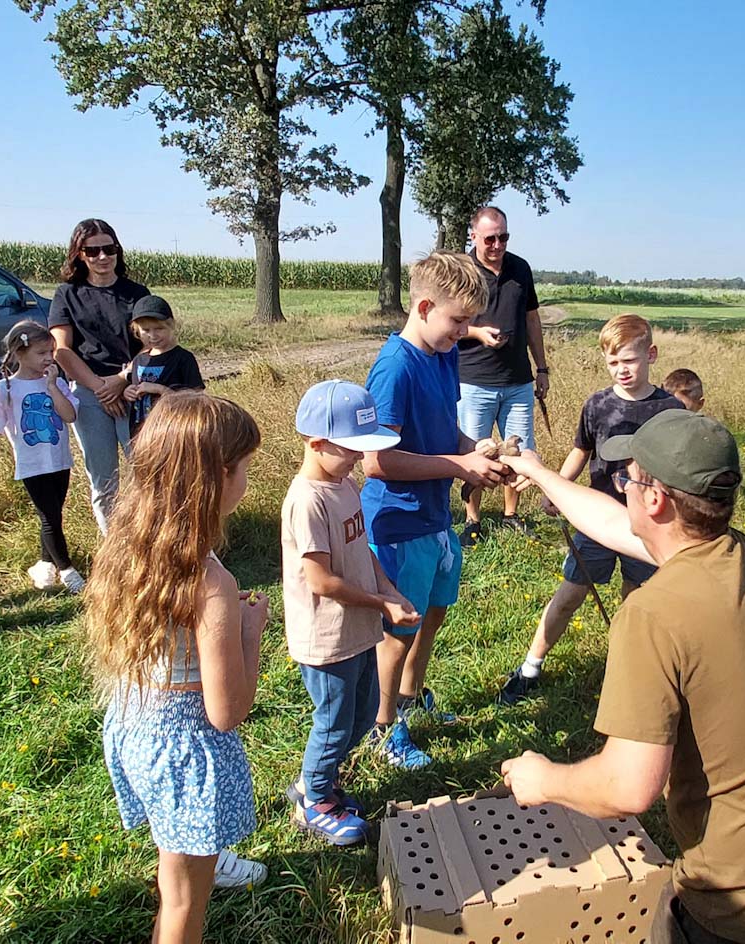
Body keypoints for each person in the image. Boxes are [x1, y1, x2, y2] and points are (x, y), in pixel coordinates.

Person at [498, 410, 745, 944]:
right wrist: (539, 472)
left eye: (627, 477)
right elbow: (610, 523)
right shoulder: (739, 554)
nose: (623, 486)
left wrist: (544, 779)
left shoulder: (653, 614)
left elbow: (628, 788)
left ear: (655, 499)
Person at [86, 393, 270, 944]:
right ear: (217, 476)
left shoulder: (125, 544)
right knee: (188, 899)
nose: (247, 480)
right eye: (244, 469)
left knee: (176, 865)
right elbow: (227, 712)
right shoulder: (213, 584)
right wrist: (249, 635)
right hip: (188, 753)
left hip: (138, 731)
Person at [359, 251, 510, 769]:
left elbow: (445, 428)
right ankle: (382, 727)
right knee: (397, 630)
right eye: (459, 321)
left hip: (435, 519)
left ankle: (411, 696)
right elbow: (376, 461)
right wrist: (460, 466)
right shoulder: (394, 369)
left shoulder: (444, 353)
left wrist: (478, 449)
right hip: (398, 523)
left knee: (434, 612)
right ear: (424, 306)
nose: (465, 331)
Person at [497, 314, 682, 706]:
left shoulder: (670, 408)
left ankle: (632, 672)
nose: (622, 370)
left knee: (638, 603)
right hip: (597, 520)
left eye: (629, 360)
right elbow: (581, 450)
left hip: (647, 524)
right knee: (568, 596)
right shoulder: (598, 404)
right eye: (613, 363)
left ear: (651, 354)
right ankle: (530, 666)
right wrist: (557, 489)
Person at [281, 380, 421, 845]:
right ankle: (315, 800)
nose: (361, 458)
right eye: (351, 449)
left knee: (361, 715)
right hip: (327, 637)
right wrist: (381, 603)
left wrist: (388, 589)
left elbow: (362, 552)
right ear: (317, 444)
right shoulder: (308, 500)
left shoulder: (345, 485)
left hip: (357, 628)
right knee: (334, 720)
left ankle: (319, 782)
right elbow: (320, 581)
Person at [48, 219, 151, 534]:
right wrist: (99, 387)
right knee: (104, 480)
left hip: (134, 389)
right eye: (93, 251)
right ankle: (115, 551)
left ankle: (150, 543)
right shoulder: (68, 294)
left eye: (109, 249)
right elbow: (61, 350)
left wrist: (120, 381)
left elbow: (154, 343)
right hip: (89, 395)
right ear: (80, 254)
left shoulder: (136, 294)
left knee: (147, 474)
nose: (102, 257)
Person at [456, 206, 550, 545]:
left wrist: (541, 367)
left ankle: (511, 516)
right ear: (474, 237)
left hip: (518, 381)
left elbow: (532, 320)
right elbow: (448, 321)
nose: (497, 245)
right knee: (476, 454)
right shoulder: (462, 271)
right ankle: (472, 521)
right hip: (473, 379)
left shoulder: (520, 268)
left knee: (518, 453)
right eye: (490, 238)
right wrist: (478, 334)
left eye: (504, 237)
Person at [0, 321, 85, 594]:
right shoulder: (5, 389)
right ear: (19, 353)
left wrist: (53, 387)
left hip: (59, 461)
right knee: (49, 517)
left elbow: (69, 415)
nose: (48, 358)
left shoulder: (56, 382)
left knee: (54, 514)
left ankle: (44, 564)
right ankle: (67, 570)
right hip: (32, 464)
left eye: (51, 352)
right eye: (41, 353)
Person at [119, 295, 205, 436]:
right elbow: (137, 392)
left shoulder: (183, 358)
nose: (153, 335)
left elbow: (197, 399)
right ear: (136, 331)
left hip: (172, 431)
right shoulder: (139, 360)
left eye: (159, 328)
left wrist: (160, 390)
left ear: (171, 325)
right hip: (142, 433)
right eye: (146, 330)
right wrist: (127, 392)